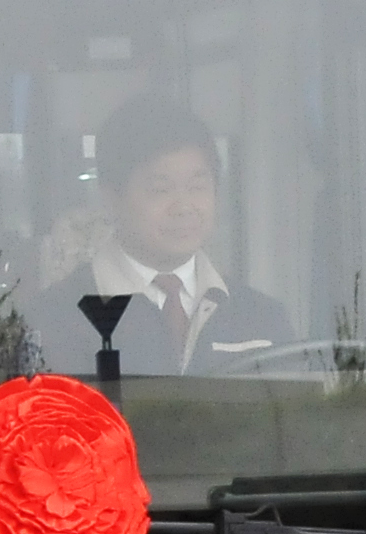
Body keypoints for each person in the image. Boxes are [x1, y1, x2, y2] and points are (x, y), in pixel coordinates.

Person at [33, 94, 299, 376]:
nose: (184, 207)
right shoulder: (54, 320)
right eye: (161, 190)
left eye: (197, 187)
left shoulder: (262, 318)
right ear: (111, 197)